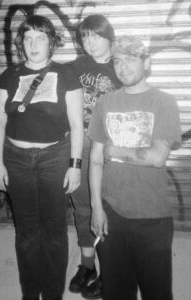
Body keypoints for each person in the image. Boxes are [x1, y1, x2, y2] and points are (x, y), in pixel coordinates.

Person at [0, 15, 84, 300]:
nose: (33, 44)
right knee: (27, 230)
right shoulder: (8, 76)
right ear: (21, 43)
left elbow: (78, 124)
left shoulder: (67, 76)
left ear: (51, 42)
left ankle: (53, 294)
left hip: (54, 158)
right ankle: (30, 292)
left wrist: (75, 166)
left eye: (40, 37)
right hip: (16, 158)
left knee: (54, 230)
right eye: (28, 38)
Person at [88, 36, 182, 300]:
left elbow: (157, 157)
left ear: (147, 62)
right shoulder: (105, 104)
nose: (123, 67)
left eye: (131, 59)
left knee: (157, 292)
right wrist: (96, 208)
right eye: (118, 60)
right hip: (111, 213)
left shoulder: (164, 102)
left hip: (152, 217)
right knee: (116, 292)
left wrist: (115, 150)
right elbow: (95, 160)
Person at [68, 14, 121, 299]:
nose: (89, 42)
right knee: (84, 208)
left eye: (95, 35)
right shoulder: (76, 66)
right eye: (84, 36)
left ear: (109, 36)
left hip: (113, 148)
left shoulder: (123, 65)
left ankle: (113, 271)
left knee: (111, 209)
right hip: (83, 145)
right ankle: (88, 266)